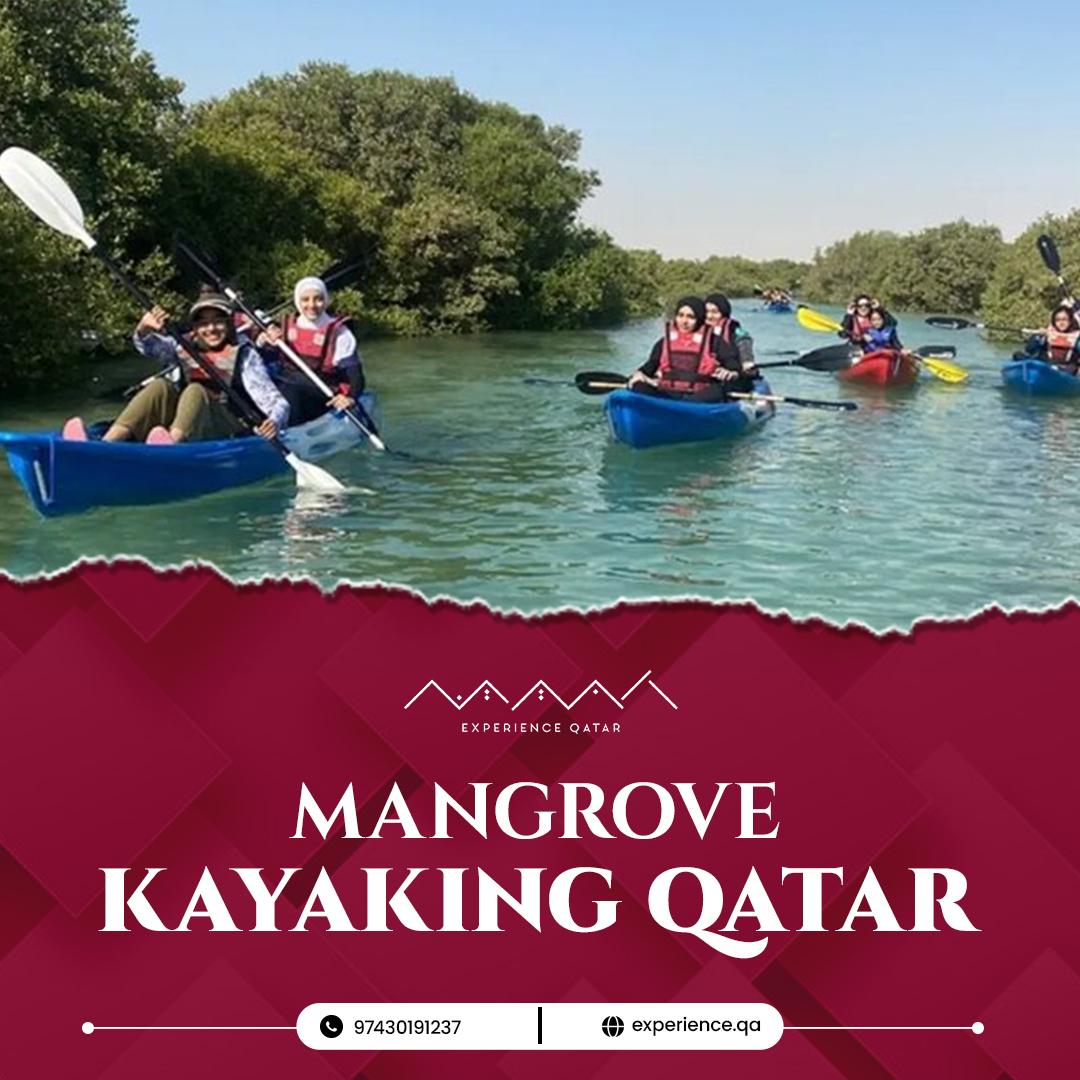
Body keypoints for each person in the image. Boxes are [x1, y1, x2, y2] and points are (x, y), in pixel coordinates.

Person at [62, 292, 288, 444]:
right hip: (191, 421)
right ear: (195, 328)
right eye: (203, 323)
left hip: (227, 424)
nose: (211, 329)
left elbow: (277, 403)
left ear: (229, 324)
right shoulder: (184, 346)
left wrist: (273, 422)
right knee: (160, 386)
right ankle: (107, 444)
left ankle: (169, 448)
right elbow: (149, 347)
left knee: (195, 391)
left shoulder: (245, 355)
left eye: (218, 321)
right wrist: (143, 328)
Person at [260, 276, 365, 425]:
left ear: (326, 300)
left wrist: (351, 397)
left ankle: (286, 428)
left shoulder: (340, 333)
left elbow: (355, 374)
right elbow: (264, 356)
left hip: (322, 392)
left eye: (318, 299)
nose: (312, 305)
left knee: (292, 388)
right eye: (305, 300)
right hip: (285, 386)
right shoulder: (282, 327)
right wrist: (263, 340)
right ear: (297, 301)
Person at [628, 296, 754, 401]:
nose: (684, 321)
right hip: (668, 392)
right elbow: (652, 364)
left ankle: (682, 409)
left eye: (690, 317)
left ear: (699, 319)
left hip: (700, 395)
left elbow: (733, 365)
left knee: (718, 391)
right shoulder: (665, 342)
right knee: (638, 386)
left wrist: (731, 372)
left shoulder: (714, 341)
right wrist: (640, 373)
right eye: (680, 315)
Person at [1025, 305, 1080, 370]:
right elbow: (1029, 349)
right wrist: (1038, 337)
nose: (1061, 323)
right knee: (1018, 355)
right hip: (1046, 365)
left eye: (1064, 319)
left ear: (1070, 321)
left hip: (1066, 369)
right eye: (1057, 320)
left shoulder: (1076, 337)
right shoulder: (1046, 334)